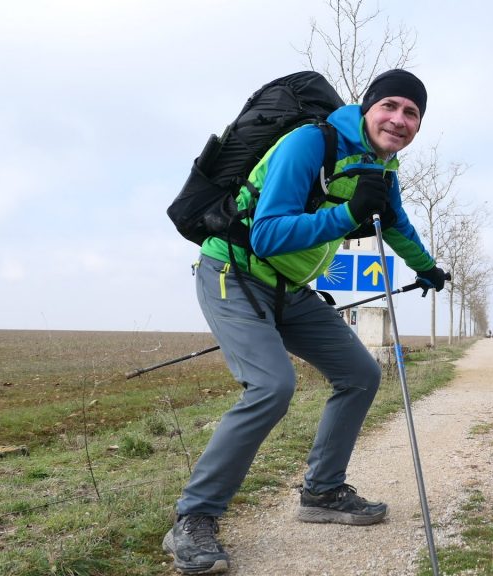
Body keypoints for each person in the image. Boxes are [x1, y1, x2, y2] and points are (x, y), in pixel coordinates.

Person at [162, 69, 447, 575]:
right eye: (391, 107)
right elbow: (268, 234)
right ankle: (194, 517)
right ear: (368, 108)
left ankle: (322, 491)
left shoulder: (382, 167)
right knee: (271, 386)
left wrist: (426, 267)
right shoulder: (308, 144)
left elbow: (395, 222)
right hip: (233, 271)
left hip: (288, 290)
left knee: (360, 374)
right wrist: (344, 216)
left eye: (412, 113)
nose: (399, 120)